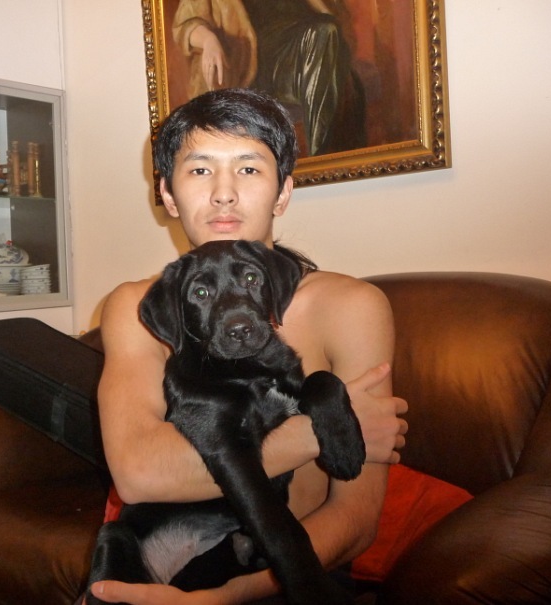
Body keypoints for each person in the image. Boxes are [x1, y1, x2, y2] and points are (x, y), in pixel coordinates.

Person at [88, 88, 407, 604]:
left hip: (288, 581)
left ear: (283, 192)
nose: (224, 194)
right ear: (168, 194)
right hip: (159, 565)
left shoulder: (351, 306)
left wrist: (233, 596)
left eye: (249, 168)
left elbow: (356, 516)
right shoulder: (134, 306)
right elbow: (138, 474)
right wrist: (312, 433)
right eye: (200, 170)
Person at [172, 0, 365, 156]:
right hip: (257, 62)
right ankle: (324, 160)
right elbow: (186, 25)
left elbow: (336, 14)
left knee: (333, 49)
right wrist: (208, 39)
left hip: (306, 45)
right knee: (324, 33)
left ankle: (330, 163)